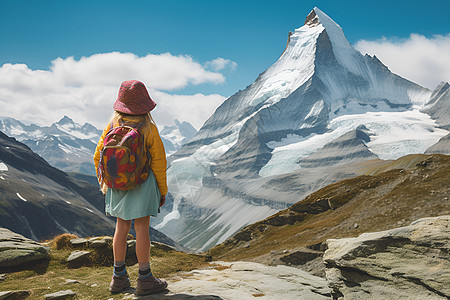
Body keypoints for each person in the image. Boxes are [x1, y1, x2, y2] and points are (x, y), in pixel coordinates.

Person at [93, 80, 168, 295]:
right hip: (143, 184)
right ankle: (145, 279)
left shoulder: (112, 125)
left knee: (121, 228)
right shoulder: (149, 128)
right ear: (145, 105)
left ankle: (118, 278)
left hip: (117, 185)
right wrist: (162, 190)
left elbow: (98, 155)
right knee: (142, 228)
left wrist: (106, 183)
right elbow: (159, 162)